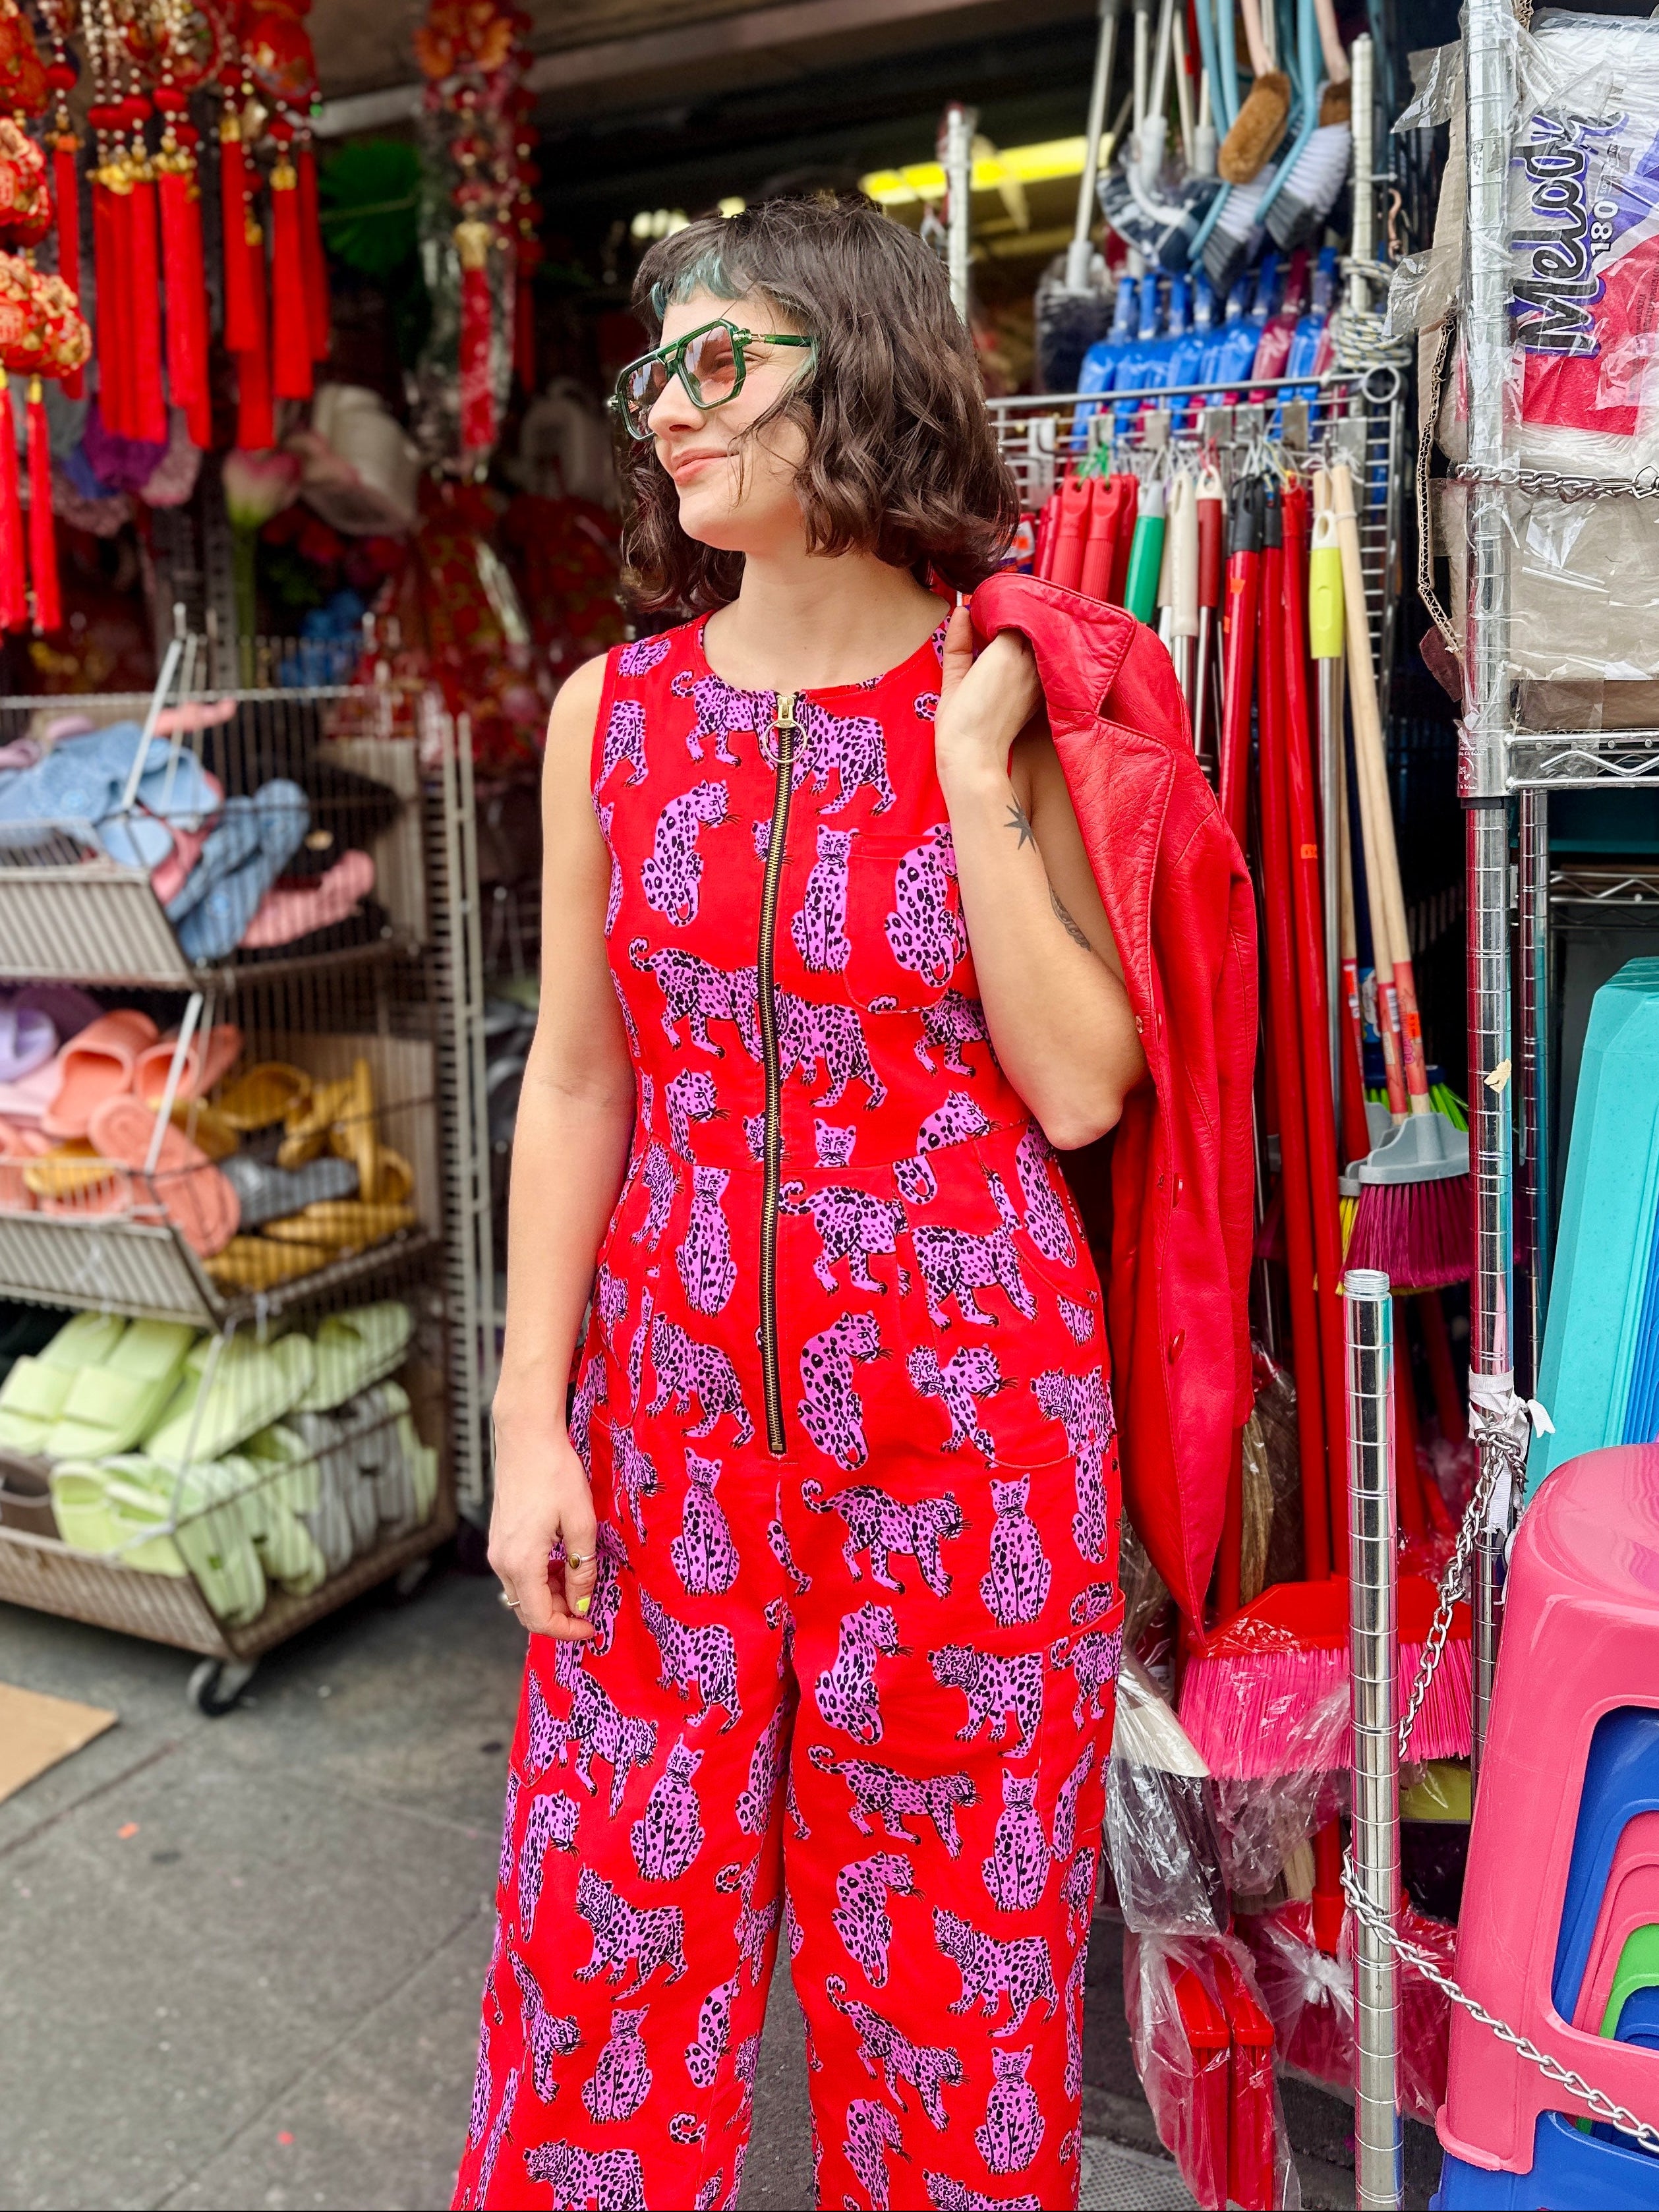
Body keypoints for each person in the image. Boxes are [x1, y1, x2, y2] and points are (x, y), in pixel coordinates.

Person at [461, 194, 1153, 2212]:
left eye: (716, 361)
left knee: (956, 2024)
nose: (669, 413)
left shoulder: (1011, 688)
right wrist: (527, 1419)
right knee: (598, 1978)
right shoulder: (611, 717)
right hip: (663, 1452)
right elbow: (578, 1075)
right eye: (654, 379)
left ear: (854, 366)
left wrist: (970, 779)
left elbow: (1083, 1083)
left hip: (970, 1469)